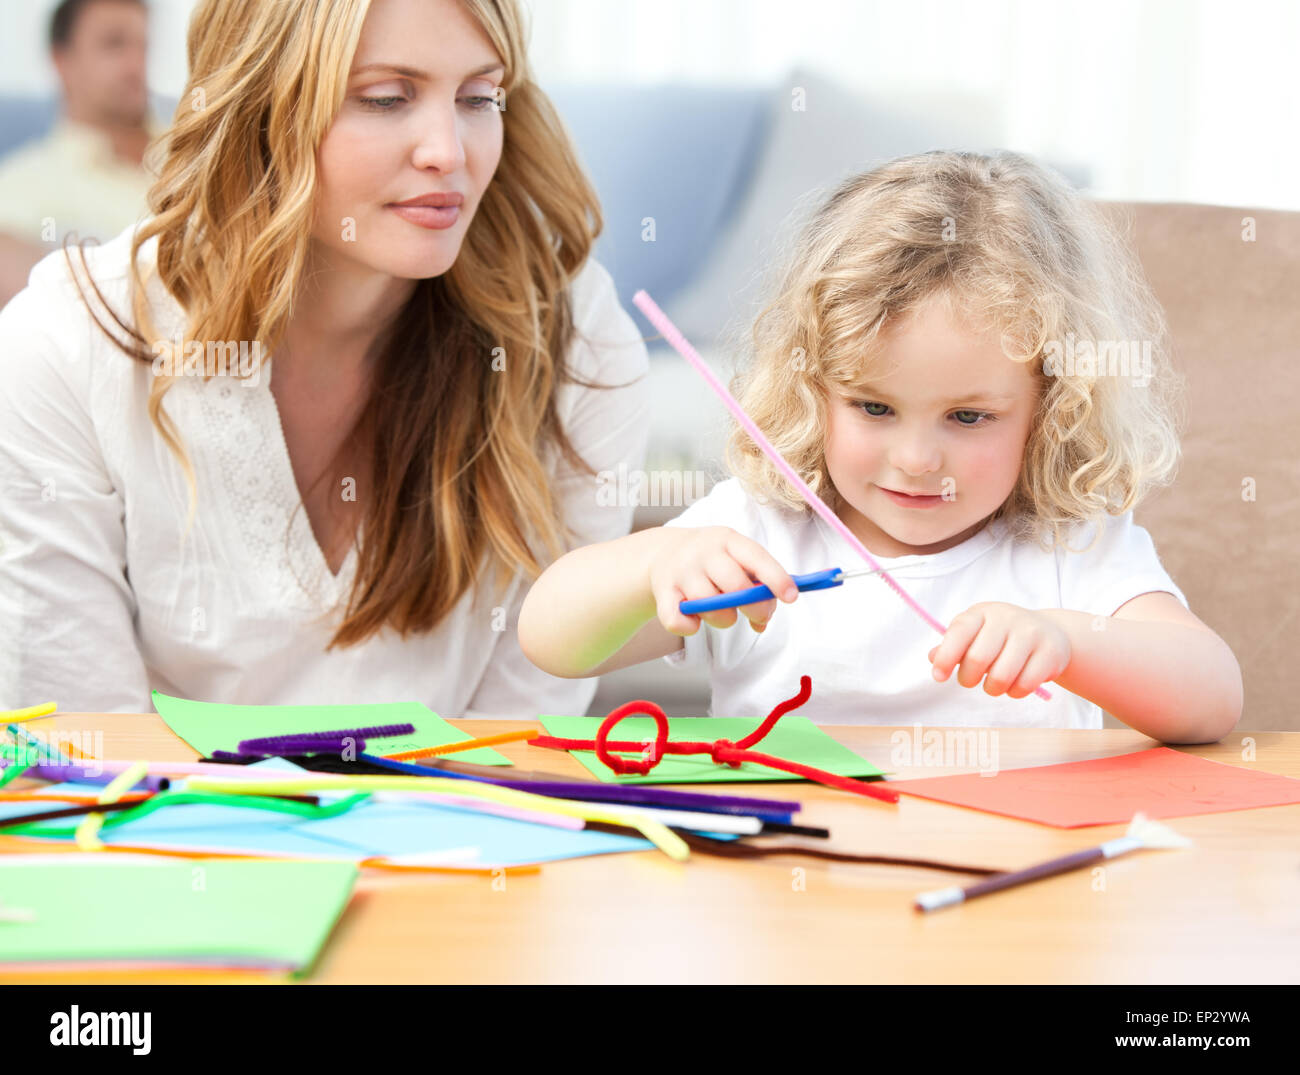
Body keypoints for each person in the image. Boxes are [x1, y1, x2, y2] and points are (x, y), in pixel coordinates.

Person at [0, 0, 649, 718]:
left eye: (477, 97)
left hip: (466, 826)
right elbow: (78, 753)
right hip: (153, 829)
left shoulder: (573, 341)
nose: (449, 152)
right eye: (385, 98)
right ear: (258, 106)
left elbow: (516, 749)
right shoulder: (64, 345)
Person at [519, 151, 1243, 743]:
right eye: (874, 407)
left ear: (1050, 409)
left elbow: (1212, 698)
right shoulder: (759, 529)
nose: (917, 458)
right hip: (784, 896)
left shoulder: (1068, 549)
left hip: (1010, 900)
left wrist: (1072, 641)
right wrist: (654, 564)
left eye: (967, 417)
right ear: (813, 389)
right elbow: (551, 640)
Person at [0, 0, 160, 307]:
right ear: (61, 61)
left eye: (143, 46)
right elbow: (43, 309)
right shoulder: (21, 186)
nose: (136, 65)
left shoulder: (201, 148)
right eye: (114, 44)